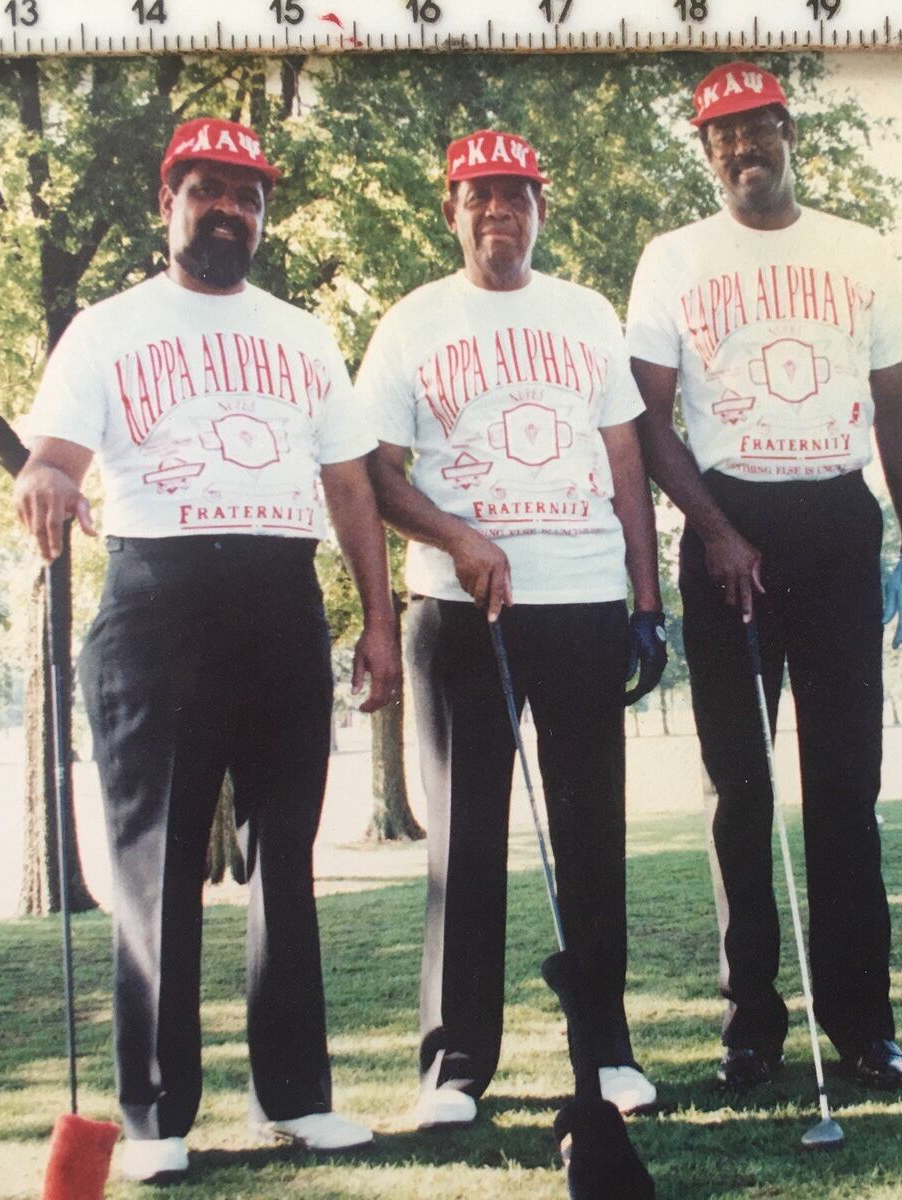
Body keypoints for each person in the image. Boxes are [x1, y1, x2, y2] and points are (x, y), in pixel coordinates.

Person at [13, 117, 402, 1182]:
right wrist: (46, 478)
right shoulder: (106, 327)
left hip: (280, 590)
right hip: (158, 595)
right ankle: (153, 1118)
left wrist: (378, 618)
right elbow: (53, 454)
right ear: (167, 202)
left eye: (247, 195)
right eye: (207, 190)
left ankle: (299, 1098)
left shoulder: (305, 333)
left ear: (262, 216)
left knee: (287, 852)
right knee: (160, 861)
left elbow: (350, 486)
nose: (228, 209)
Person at [626, 62, 902, 1092]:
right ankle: (750, 1025)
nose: (738, 151)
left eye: (754, 130)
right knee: (736, 789)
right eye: (719, 137)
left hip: (835, 518)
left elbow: (895, 410)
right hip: (730, 524)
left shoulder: (855, 248)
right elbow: (647, 419)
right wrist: (713, 531)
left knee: (846, 785)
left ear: (784, 130)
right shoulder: (672, 257)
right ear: (704, 149)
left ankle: (862, 1022)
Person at [358, 129, 668, 1129]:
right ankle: (453, 1068)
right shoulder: (412, 322)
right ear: (450, 210)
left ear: (541, 207)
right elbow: (374, 471)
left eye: (517, 195)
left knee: (590, 835)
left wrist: (646, 601)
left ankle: (605, 1051)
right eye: (479, 196)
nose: (499, 211)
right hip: (459, 610)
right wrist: (456, 536)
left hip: (581, 597)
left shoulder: (583, 312)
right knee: (466, 837)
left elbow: (626, 462)